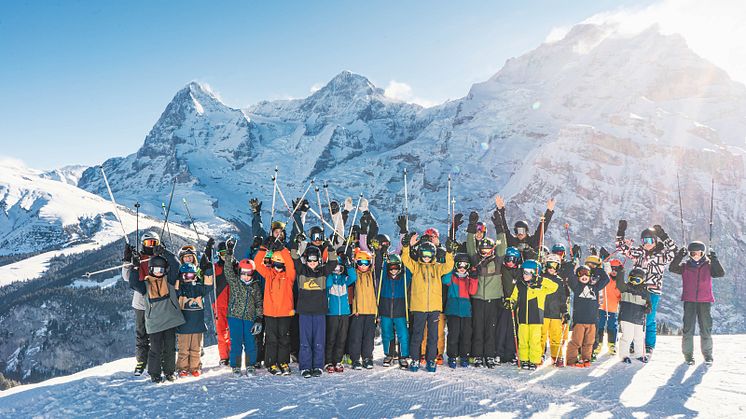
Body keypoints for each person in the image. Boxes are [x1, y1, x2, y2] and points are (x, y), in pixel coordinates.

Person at [616, 221, 676, 356]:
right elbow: (621, 248)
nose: (647, 243)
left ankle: (649, 345)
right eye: (644, 240)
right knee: (633, 318)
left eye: (650, 240)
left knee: (649, 318)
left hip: (653, 290)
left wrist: (663, 235)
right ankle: (632, 344)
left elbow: (673, 250)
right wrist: (621, 232)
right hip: (636, 290)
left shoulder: (662, 255)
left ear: (655, 241)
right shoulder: (639, 253)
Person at [401, 234, 455, 373]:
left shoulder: (437, 268)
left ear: (433, 254)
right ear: (420, 254)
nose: (426, 257)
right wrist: (407, 246)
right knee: (417, 334)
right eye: (424, 254)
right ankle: (415, 359)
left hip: (434, 308)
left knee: (433, 336)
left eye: (429, 254)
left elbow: (449, 266)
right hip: (419, 307)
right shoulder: (416, 266)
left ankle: (431, 360)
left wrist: (449, 252)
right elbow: (405, 259)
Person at [129, 255, 185, 383]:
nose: (158, 273)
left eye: (161, 270)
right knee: (155, 349)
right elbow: (133, 283)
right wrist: (135, 267)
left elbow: (175, 264)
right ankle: (155, 374)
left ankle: (169, 372)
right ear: (150, 270)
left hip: (170, 320)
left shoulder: (169, 280)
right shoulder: (146, 285)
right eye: (155, 270)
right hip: (155, 323)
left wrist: (163, 252)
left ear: (165, 270)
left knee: (170, 348)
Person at [669, 241, 725, 365]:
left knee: (705, 329)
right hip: (689, 301)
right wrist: (679, 256)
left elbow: (720, 273)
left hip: (704, 301)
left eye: (698, 253)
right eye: (692, 253)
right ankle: (688, 356)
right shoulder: (685, 266)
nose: (695, 256)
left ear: (703, 253)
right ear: (689, 254)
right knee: (688, 329)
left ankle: (708, 355)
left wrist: (714, 259)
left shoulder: (709, 266)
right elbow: (672, 268)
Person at [465, 208, 508, 368]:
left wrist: (499, 226)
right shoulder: (475, 258)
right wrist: (472, 226)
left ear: (491, 249)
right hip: (477, 299)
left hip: (493, 299)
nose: (484, 252)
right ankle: (477, 355)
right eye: (482, 249)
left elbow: (502, 245)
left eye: (487, 249)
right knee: (478, 328)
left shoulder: (497, 261)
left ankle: (489, 355)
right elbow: (470, 245)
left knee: (491, 329)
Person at [290, 243, 338, 378]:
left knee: (319, 340)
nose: (312, 263)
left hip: (319, 312)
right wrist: (296, 243)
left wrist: (330, 248)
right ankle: (305, 367)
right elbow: (294, 257)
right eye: (309, 260)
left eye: (314, 260)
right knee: (305, 341)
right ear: (306, 260)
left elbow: (333, 262)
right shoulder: (302, 269)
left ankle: (317, 365)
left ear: (319, 260)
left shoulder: (323, 271)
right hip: (304, 312)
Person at [253, 243, 296, 376]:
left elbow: (290, 264)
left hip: (284, 312)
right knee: (271, 339)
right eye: (275, 264)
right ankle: (271, 363)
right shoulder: (268, 273)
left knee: (284, 339)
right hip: (270, 313)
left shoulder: (289, 275)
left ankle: (283, 362)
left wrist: (283, 250)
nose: (277, 268)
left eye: (280, 265)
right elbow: (257, 263)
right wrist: (263, 248)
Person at [507, 259, 558, 370]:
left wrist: (541, 280)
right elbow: (514, 296)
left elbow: (554, 287)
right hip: (522, 318)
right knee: (523, 340)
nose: (524, 275)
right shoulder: (519, 285)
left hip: (536, 318)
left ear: (534, 273)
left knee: (534, 340)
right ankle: (524, 359)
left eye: (527, 273)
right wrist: (511, 302)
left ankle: (534, 360)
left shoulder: (540, 287)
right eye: (523, 272)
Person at [224, 257, 264, 376]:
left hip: (249, 318)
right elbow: (227, 270)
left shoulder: (255, 286)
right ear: (239, 272)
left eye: (249, 273)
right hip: (234, 317)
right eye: (243, 273)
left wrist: (258, 318)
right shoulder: (235, 282)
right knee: (236, 342)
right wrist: (229, 254)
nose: (246, 276)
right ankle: (236, 366)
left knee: (250, 342)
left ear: (253, 273)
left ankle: (250, 365)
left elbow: (258, 303)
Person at [566, 262, 610, 367]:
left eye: (587, 274)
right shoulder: (577, 287)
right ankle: (571, 360)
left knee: (589, 343)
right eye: (581, 274)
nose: (584, 276)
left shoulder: (595, 287)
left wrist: (597, 269)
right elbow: (571, 278)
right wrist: (572, 265)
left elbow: (606, 279)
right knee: (576, 342)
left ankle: (586, 359)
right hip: (579, 321)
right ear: (578, 276)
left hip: (592, 321)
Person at [175, 262, 213, 377]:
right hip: (183, 325)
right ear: (182, 276)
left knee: (196, 349)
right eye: (186, 276)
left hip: (197, 324)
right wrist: (177, 279)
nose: (189, 278)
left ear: (195, 275)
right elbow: (175, 290)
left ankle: (195, 367)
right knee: (183, 349)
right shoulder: (180, 289)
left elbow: (208, 286)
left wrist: (207, 272)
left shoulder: (199, 288)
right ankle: (182, 368)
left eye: (191, 275)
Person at [377, 253, 411, 369]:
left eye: (396, 268)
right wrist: (384, 259)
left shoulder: (404, 277)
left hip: (400, 309)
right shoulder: (384, 277)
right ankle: (389, 354)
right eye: (391, 268)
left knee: (403, 334)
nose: (393, 271)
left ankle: (403, 356)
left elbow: (409, 269)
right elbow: (381, 267)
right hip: (386, 308)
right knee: (387, 333)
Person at [444, 253, 478, 368]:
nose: (462, 268)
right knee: (453, 334)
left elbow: (473, 291)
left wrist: (473, 278)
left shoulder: (468, 278)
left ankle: (464, 356)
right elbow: (445, 280)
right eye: (459, 265)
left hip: (466, 311)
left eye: (465, 265)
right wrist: (450, 268)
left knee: (466, 335)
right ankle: (452, 356)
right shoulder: (452, 277)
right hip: (453, 309)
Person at [346, 250, 378, 370]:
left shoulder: (373, 275)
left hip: (370, 311)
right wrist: (349, 265)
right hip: (358, 311)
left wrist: (376, 254)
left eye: (366, 262)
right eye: (360, 262)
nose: (363, 266)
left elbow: (377, 266)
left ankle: (367, 357)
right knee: (356, 337)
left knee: (369, 337)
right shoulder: (354, 274)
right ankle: (355, 359)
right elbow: (349, 280)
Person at [325, 256, 355, 373]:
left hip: (344, 313)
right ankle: (328, 361)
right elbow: (327, 284)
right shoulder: (330, 279)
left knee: (341, 338)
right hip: (332, 313)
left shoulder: (344, 279)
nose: (337, 270)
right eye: (335, 268)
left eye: (339, 268)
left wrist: (349, 266)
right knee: (331, 338)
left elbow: (353, 277)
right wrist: (330, 271)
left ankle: (337, 360)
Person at [540, 253, 570, 367]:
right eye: (550, 265)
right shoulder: (541, 278)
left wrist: (565, 311)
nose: (552, 269)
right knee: (541, 336)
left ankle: (556, 356)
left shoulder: (559, 281)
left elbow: (563, 298)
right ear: (546, 266)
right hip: (543, 312)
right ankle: (539, 355)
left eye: (555, 266)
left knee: (556, 336)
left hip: (556, 313)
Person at [616, 268, 651, 363]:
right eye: (632, 279)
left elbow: (649, 305)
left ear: (642, 281)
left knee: (639, 337)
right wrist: (621, 272)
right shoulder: (626, 288)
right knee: (627, 337)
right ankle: (624, 356)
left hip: (639, 319)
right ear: (629, 279)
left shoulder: (645, 292)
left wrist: (648, 309)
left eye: (638, 280)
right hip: (626, 317)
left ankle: (639, 354)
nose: (635, 282)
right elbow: (619, 284)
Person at [594, 258, 623, 358]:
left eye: (617, 269)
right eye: (612, 268)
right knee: (600, 326)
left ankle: (612, 344)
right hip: (601, 307)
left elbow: (620, 296)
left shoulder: (619, 282)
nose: (614, 271)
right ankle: (598, 343)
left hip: (613, 308)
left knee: (612, 327)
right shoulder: (606, 279)